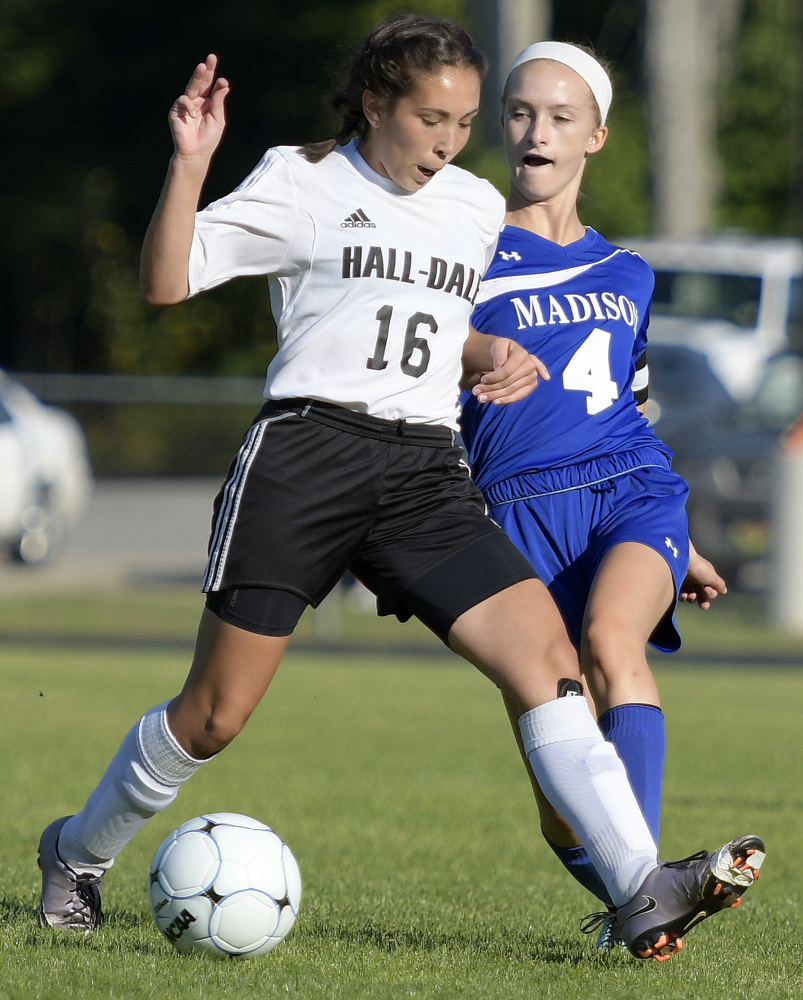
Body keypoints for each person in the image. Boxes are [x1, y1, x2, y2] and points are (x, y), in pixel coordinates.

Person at [36, 15, 764, 962]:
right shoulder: (300, 181)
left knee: (549, 660)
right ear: (375, 103)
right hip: (306, 457)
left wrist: (485, 348)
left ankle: (637, 887)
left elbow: (425, 317)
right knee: (213, 715)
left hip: (423, 468)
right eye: (431, 119)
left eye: (465, 123)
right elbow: (167, 283)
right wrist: (189, 162)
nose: (450, 143)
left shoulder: (467, 205)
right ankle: (77, 854)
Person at [459, 41, 744, 949]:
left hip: (630, 489)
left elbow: (633, 400)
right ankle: (649, 898)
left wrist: (683, 543)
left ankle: (646, 894)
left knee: (610, 640)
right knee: (556, 811)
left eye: (558, 116)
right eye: (518, 111)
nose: (534, 130)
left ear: (597, 136)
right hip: (516, 512)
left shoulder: (628, 271)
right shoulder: (462, 250)